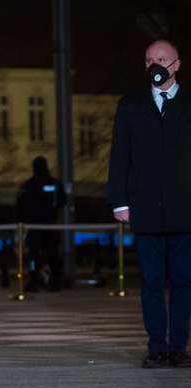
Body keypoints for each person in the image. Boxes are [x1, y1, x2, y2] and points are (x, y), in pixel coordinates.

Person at [108, 39, 191, 369]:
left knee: (184, 282)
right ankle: (157, 346)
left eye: (160, 59)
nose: (153, 65)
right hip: (145, 208)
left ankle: (179, 346)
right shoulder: (131, 104)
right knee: (152, 281)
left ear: (176, 65)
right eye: (148, 60)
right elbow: (120, 155)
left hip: (185, 209)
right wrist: (119, 201)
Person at [16, 157, 66, 292]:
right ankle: (56, 281)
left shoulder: (29, 184)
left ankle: (34, 281)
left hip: (35, 226)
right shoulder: (54, 183)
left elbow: (20, 203)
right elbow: (62, 201)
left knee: (34, 257)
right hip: (50, 225)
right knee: (53, 255)